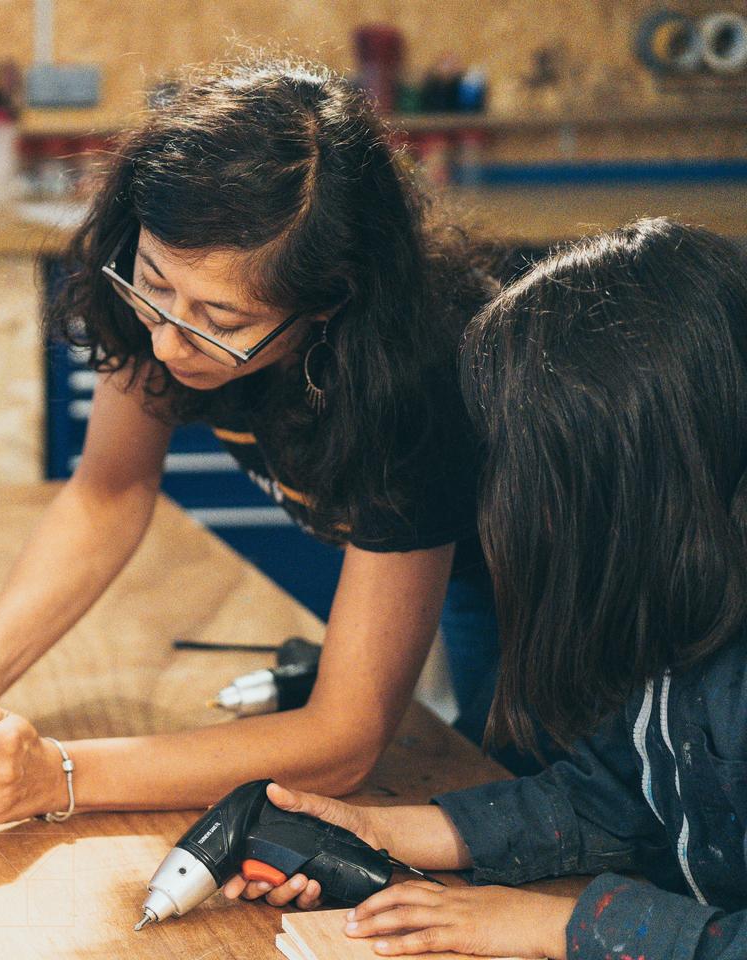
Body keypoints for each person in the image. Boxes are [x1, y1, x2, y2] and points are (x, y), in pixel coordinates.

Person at [0, 58, 502, 833]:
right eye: (152, 285)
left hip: (540, 579)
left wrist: (61, 774)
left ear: (331, 305)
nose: (167, 344)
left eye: (223, 324)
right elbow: (111, 490)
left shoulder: (413, 390)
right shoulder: (169, 306)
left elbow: (343, 742)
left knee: (510, 779)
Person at [228, 219, 747, 960]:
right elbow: (617, 798)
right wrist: (381, 831)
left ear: (631, 471)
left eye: (525, 463)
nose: (500, 500)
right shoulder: (662, 593)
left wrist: (563, 926)